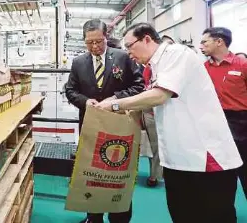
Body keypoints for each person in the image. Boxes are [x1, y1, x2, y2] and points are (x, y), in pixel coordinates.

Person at [97, 22, 242, 223]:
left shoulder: (177, 54)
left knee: (213, 214)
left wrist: (115, 105)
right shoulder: (153, 67)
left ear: (146, 39)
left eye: (130, 46)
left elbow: (160, 96)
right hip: (176, 157)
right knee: (182, 213)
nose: (128, 53)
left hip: (205, 156)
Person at [65, 19, 144, 223]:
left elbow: (138, 86)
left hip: (120, 125)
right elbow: (70, 91)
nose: (95, 47)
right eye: (89, 43)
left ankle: (120, 216)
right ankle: (94, 217)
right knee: (91, 172)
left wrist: (116, 99)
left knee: (118, 170)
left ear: (106, 37)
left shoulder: (123, 57)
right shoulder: (79, 62)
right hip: (91, 125)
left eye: (99, 41)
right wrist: (85, 101)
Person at [200, 27, 247, 198]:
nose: (200, 46)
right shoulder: (203, 68)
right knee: (221, 175)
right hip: (214, 124)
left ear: (219, 41)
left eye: (205, 42)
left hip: (241, 124)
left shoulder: (242, 65)